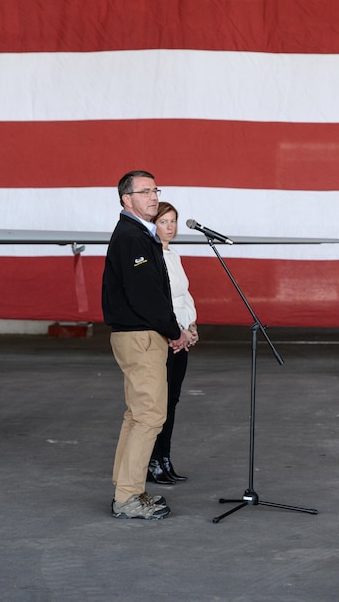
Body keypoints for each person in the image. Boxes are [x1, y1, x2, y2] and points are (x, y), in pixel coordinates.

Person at [102, 171, 194, 520]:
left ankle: (125, 487)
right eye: (145, 191)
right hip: (140, 337)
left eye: (156, 189)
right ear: (127, 199)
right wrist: (175, 330)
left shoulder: (139, 233)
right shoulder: (132, 236)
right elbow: (146, 295)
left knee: (136, 415)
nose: (154, 196)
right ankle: (128, 497)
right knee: (151, 415)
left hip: (138, 335)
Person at [147, 202, 199, 486]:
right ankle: (152, 460)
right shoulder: (153, 256)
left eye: (173, 221)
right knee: (159, 402)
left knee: (173, 400)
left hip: (182, 337)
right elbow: (161, 301)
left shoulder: (174, 254)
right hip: (166, 337)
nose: (170, 227)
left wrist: (191, 326)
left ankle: (165, 458)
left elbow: (184, 295)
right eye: (164, 221)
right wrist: (176, 331)